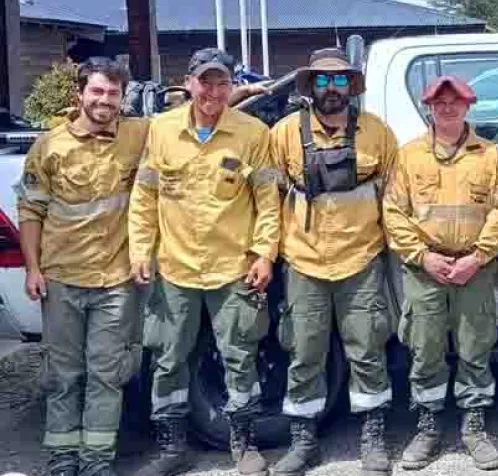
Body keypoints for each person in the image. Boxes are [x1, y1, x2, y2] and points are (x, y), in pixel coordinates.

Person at [128, 48, 282, 476]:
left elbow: (268, 201)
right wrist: (140, 250)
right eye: (205, 82)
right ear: (189, 83)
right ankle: (172, 447)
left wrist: (264, 253)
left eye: (222, 82)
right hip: (174, 267)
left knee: (240, 356)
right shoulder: (161, 130)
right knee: (168, 358)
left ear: (232, 86)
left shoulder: (253, 133)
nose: (213, 91)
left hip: (232, 267)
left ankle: (244, 445)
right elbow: (144, 197)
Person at [267, 48, 398, 476]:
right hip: (304, 262)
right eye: (322, 80)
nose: (331, 88)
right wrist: (268, 253)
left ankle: (373, 438)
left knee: (368, 349)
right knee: (304, 352)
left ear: (351, 86)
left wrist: (397, 251)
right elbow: (268, 199)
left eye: (339, 80)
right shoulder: (283, 134)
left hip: (362, 260)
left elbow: (395, 196)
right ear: (310, 86)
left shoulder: (377, 132)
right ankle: (303, 441)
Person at [16, 58, 147, 476]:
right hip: (61, 279)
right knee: (63, 376)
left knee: (107, 375)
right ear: (80, 94)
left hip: (115, 282)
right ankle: (62, 459)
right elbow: (30, 211)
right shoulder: (49, 146)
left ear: (122, 97)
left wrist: (240, 92)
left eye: (113, 93)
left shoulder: (138, 134)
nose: (104, 100)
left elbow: (189, 119)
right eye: (97, 91)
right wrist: (33, 269)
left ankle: (96, 461)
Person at [383, 76, 498, 471]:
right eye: (440, 102)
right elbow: (393, 212)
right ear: (430, 108)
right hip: (425, 270)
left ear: (468, 106)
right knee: (425, 350)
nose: (448, 107)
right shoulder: (408, 156)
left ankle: (474, 427)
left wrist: (479, 256)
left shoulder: (490, 155)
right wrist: (422, 256)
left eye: (455, 101)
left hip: (475, 268)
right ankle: (428, 427)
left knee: (475, 348)